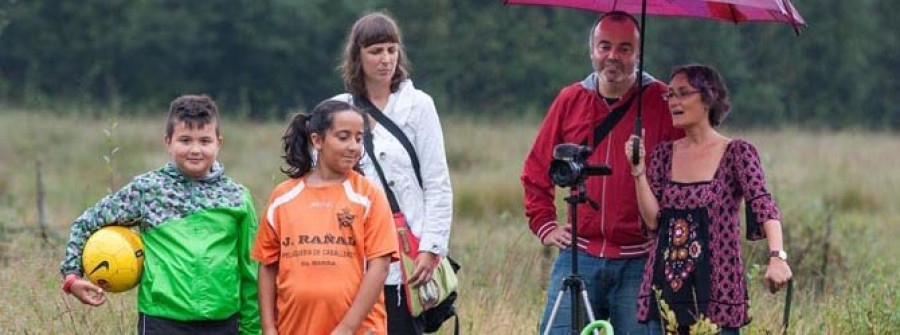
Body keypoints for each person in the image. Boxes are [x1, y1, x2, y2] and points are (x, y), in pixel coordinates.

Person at [521, 11, 683, 334]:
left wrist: (668, 236)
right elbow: (536, 168)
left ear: (638, 54)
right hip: (580, 255)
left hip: (640, 258)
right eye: (604, 46)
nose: (613, 56)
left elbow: (685, 175)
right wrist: (545, 224)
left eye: (624, 49)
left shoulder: (661, 101)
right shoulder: (571, 100)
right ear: (592, 50)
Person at [59, 94, 261, 334]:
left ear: (219, 142)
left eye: (205, 141)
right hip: (161, 322)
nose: (195, 149)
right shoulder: (149, 190)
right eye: (185, 140)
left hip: (224, 322)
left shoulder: (237, 197)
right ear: (168, 141)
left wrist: (252, 329)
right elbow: (85, 224)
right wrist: (72, 278)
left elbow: (252, 270)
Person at [625, 64, 792, 334]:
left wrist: (777, 257)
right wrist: (638, 171)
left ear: (708, 97)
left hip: (716, 292)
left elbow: (763, 205)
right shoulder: (663, 154)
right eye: (670, 95)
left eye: (682, 93)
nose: (673, 102)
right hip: (664, 291)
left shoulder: (737, 152)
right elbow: (653, 221)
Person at [331, 12, 454, 335]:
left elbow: (438, 183)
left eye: (391, 49)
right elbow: (323, 183)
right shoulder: (337, 109)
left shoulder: (419, 105)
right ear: (357, 55)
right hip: (348, 256)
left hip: (406, 256)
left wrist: (432, 248)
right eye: (375, 51)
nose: (385, 59)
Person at [252, 100, 399, 335]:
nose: (353, 146)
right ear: (317, 140)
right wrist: (269, 328)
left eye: (359, 138)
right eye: (343, 137)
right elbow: (267, 266)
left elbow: (379, 268)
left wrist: (347, 329)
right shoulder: (282, 198)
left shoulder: (369, 196)